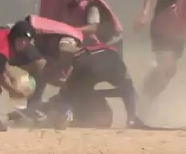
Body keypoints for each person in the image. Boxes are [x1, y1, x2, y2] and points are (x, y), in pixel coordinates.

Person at [8, 17, 146, 129]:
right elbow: (128, 92)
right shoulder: (113, 69)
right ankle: (49, 111)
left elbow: (127, 92)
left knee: (69, 96)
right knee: (69, 97)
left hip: (90, 59)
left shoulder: (93, 81)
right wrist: (131, 118)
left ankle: (49, 111)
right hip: (95, 59)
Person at [55, 0, 124, 52]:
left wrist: (71, 31)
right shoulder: (67, 2)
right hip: (93, 40)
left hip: (111, 41)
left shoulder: (91, 4)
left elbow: (92, 28)